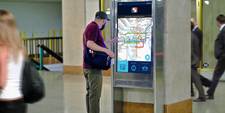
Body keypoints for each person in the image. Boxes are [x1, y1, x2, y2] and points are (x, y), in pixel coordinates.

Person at [83, 11, 114, 113]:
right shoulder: (94, 27)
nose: (105, 23)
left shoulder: (90, 27)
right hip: (93, 69)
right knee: (95, 95)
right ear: (102, 19)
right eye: (105, 21)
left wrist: (111, 41)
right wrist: (107, 51)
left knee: (91, 94)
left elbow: (97, 42)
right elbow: (90, 44)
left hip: (88, 66)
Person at [0, 9, 27, 113]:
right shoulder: (20, 48)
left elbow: (2, 82)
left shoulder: (2, 50)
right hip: (20, 101)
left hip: (6, 102)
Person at [207, 14, 225, 99]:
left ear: (218, 21)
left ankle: (210, 93)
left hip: (223, 58)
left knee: (216, 75)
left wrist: (221, 55)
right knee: (216, 75)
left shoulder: (224, 30)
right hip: (222, 57)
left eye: (216, 22)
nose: (216, 23)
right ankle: (210, 92)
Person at [191, 31, 206, 102]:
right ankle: (192, 92)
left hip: (192, 61)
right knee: (195, 78)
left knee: (196, 79)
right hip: (195, 60)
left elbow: (190, 51)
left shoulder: (190, 36)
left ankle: (202, 96)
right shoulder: (194, 35)